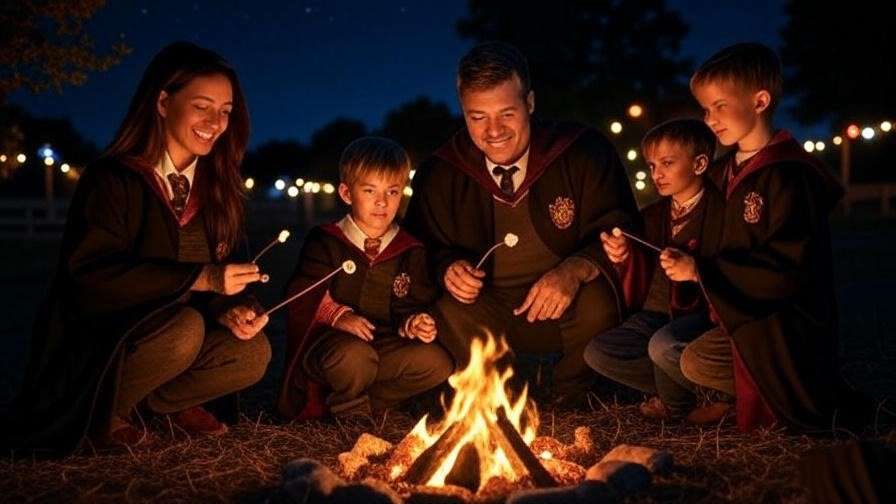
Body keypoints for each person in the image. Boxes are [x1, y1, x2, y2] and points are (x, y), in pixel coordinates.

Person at [5, 42, 271, 454]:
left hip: (183, 338)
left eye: (225, 111)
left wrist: (231, 307)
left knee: (253, 351)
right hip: (111, 344)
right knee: (184, 329)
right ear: (163, 103)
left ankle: (161, 407)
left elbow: (222, 276)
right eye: (202, 107)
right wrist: (201, 277)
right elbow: (89, 275)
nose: (215, 123)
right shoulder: (113, 179)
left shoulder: (219, 190)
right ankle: (102, 414)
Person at [404, 42, 640, 407]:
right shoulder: (442, 172)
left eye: (506, 113)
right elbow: (418, 248)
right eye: (477, 117)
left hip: (565, 310)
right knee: (447, 309)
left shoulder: (582, 151)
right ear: (463, 111)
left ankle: (570, 393)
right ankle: (500, 397)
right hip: (488, 311)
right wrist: (446, 267)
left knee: (598, 302)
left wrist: (575, 270)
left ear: (529, 102)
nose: (493, 130)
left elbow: (622, 225)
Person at [672, 42, 856, 431]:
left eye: (720, 106)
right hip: (732, 309)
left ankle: (758, 397)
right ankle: (736, 394)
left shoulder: (789, 175)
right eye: (705, 109)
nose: (710, 119)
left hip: (779, 321)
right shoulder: (722, 173)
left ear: (759, 101)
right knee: (668, 349)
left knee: (693, 359)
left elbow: (789, 266)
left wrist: (702, 271)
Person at [278, 137, 453, 420]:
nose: (382, 202)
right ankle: (350, 415)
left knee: (436, 363)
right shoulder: (326, 241)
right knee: (355, 357)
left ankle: (364, 403)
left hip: (383, 345)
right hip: (335, 348)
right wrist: (338, 315)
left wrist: (413, 323)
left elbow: (413, 302)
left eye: (392, 191)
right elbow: (302, 292)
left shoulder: (411, 249)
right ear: (347, 193)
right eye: (370, 190)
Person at [585, 118, 724, 421]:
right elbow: (639, 261)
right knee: (598, 352)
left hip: (700, 316)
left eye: (667, 163)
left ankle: (689, 403)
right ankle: (679, 392)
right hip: (656, 313)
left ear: (700, 164)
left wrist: (696, 268)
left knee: (662, 345)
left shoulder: (721, 211)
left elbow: (729, 268)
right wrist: (623, 253)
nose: (656, 174)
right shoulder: (652, 215)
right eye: (651, 165)